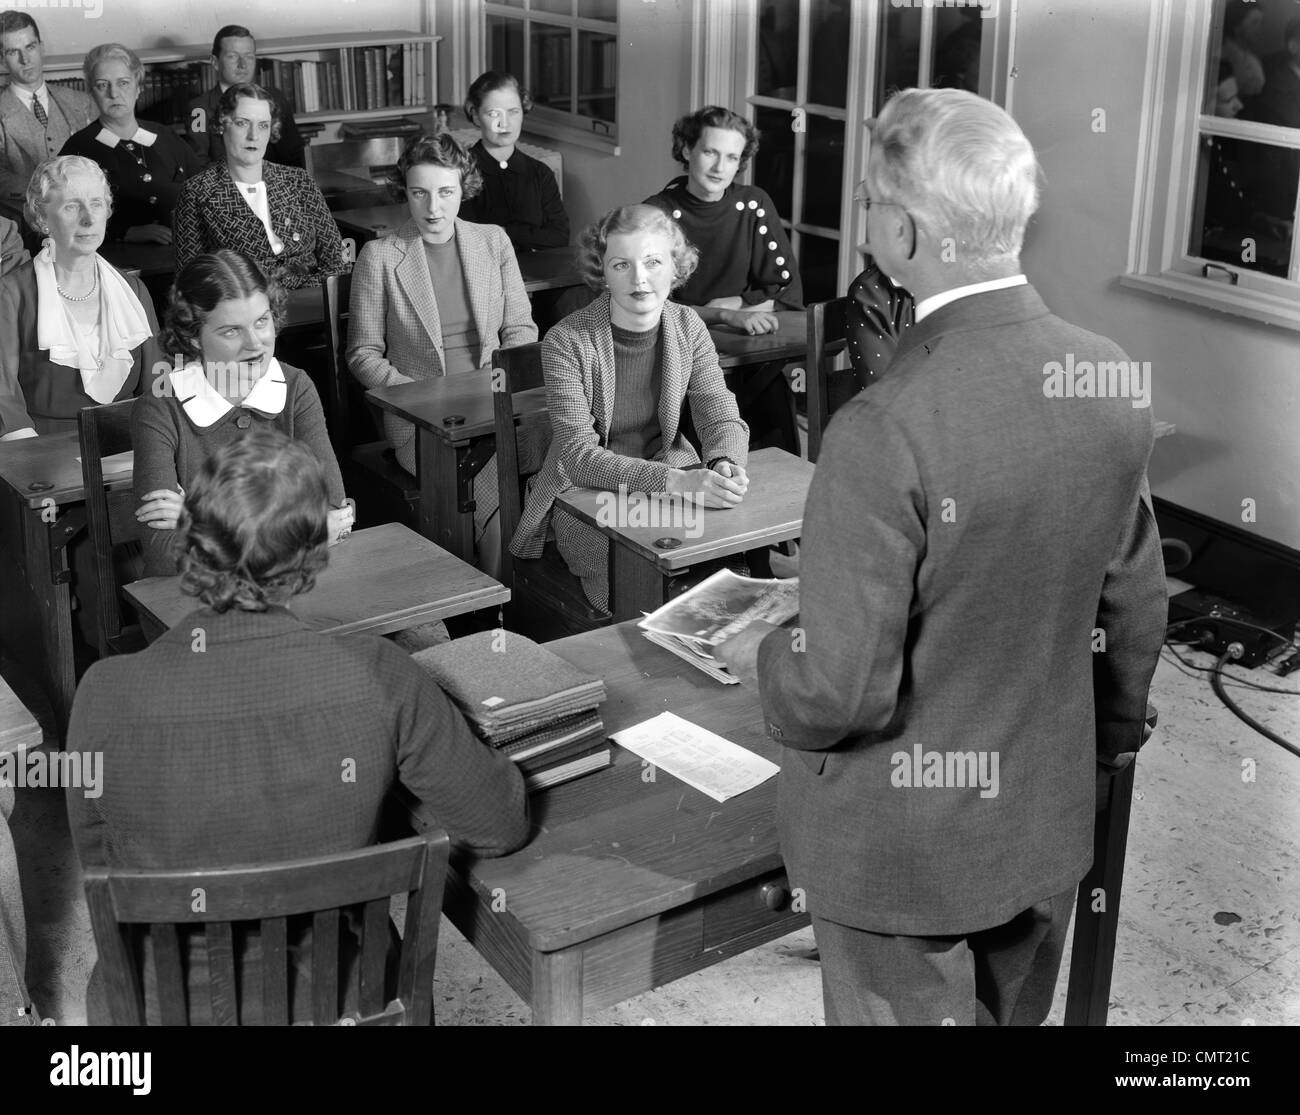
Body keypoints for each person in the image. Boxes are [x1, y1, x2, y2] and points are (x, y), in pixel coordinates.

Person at [716, 88, 1166, 1026]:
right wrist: (1104, 746)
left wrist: (762, 655)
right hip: (1042, 814)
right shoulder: (1110, 379)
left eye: (872, 204)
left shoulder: (885, 424)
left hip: (902, 852)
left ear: (910, 233)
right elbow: (1133, 608)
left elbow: (842, 693)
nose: (865, 221)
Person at [67, 428, 530, 1025]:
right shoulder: (379, 674)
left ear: (189, 542)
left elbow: (98, 858)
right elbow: (498, 824)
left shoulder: (104, 693)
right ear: (315, 555)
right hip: (343, 1001)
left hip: (159, 1009)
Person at [510, 204, 750, 612]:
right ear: (601, 271)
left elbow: (719, 412)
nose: (639, 279)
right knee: (629, 589)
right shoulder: (565, 341)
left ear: (675, 268)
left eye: (653, 262)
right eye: (622, 265)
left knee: (724, 570)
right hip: (586, 493)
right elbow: (580, 458)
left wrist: (724, 461)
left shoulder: (689, 325)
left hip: (672, 468)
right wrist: (677, 483)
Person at [348, 132, 537, 574]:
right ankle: (492, 610)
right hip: (423, 422)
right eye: (420, 193)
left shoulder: (493, 242)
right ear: (405, 193)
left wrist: (501, 389)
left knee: (554, 462)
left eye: (445, 193)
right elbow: (363, 355)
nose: (433, 208)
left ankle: (518, 598)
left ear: (463, 189)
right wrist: (421, 398)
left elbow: (520, 329)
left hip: (497, 405)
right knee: (496, 488)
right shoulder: (379, 256)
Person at [132, 248, 352, 577]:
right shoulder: (159, 408)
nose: (255, 344)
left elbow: (335, 516)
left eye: (261, 322)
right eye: (232, 330)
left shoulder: (296, 388)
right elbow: (166, 554)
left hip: (294, 587)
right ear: (193, 338)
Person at [644, 106, 802, 451]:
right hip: (681, 355)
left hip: (747, 350)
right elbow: (652, 306)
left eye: (731, 157)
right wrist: (724, 315)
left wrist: (736, 303)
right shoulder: (656, 214)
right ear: (687, 150)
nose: (719, 167)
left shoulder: (754, 204)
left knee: (773, 419)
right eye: (710, 152)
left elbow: (788, 288)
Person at [0, 155, 161, 440]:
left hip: (133, 449)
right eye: (72, 206)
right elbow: (4, 402)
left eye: (97, 204)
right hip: (42, 459)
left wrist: (159, 452)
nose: (88, 218)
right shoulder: (11, 295)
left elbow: (157, 383)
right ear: (41, 216)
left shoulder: (134, 290)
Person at [172, 84, 343, 290]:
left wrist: (311, 297)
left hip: (313, 305)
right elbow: (190, 282)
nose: (254, 135)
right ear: (221, 125)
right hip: (242, 313)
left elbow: (337, 261)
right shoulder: (197, 192)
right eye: (242, 123)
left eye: (263, 125)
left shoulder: (299, 181)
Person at [60, 43, 203, 245]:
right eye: (102, 85)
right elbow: (65, 216)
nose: (114, 93)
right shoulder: (78, 149)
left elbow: (203, 190)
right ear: (92, 92)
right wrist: (126, 232)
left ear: (139, 88)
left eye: (123, 83)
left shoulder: (165, 136)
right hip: (117, 259)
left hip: (181, 252)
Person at [458, 71, 569, 252]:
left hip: (535, 276)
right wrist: (530, 236)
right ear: (476, 116)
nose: (505, 123)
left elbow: (559, 237)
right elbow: (465, 239)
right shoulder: (459, 172)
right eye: (494, 114)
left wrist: (506, 232)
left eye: (513, 112)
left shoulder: (540, 173)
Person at [0, 11, 94, 201]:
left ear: (41, 48)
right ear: (2, 59)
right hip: (23, 218)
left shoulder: (81, 102)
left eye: (30, 47)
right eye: (13, 52)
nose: (25, 59)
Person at [185, 24, 305, 169]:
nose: (242, 65)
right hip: (225, 188)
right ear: (215, 62)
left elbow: (294, 156)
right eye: (232, 56)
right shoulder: (200, 109)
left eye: (248, 57)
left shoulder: (275, 98)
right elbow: (198, 166)